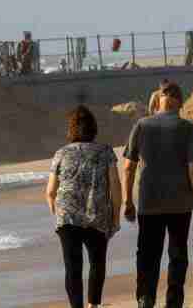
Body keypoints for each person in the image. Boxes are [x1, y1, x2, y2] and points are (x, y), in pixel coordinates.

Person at [123, 82, 193, 308]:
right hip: (181, 203)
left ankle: (145, 298)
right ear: (179, 102)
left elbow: (128, 167)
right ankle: (173, 302)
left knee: (147, 254)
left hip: (149, 202)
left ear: (158, 100)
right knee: (178, 254)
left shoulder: (141, 125)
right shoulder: (187, 128)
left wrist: (127, 201)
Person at [46, 106, 123, 308]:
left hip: (67, 216)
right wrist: (116, 217)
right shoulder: (105, 152)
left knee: (73, 267)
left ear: (71, 129)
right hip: (97, 214)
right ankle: (93, 305)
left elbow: (50, 191)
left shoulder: (61, 153)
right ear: (93, 128)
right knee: (97, 263)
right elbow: (115, 186)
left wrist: (57, 212)